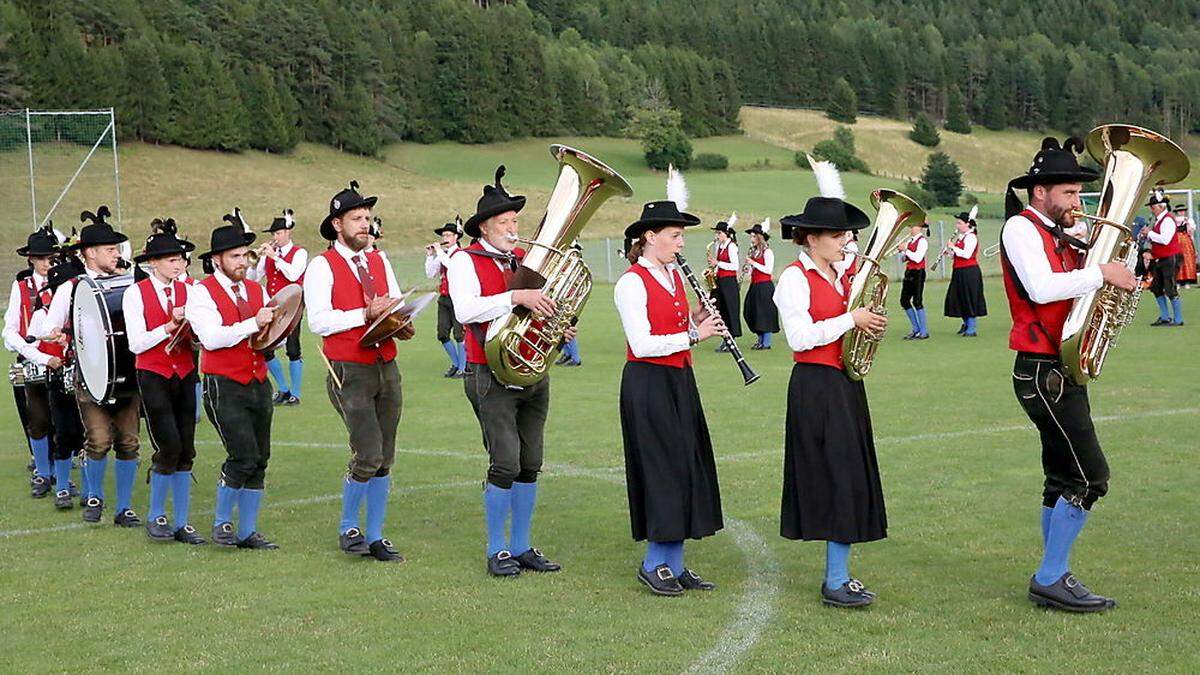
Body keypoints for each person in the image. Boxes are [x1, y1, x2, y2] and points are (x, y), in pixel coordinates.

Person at [999, 136, 1137, 612]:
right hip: (1042, 368)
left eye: (1080, 194)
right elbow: (1040, 288)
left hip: (1062, 366)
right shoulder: (1021, 229)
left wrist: (1114, 262)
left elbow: (1095, 274)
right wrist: (1102, 274)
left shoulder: (1060, 231)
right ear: (1040, 193)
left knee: (1061, 476)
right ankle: (1051, 575)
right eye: (1070, 193)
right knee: (1090, 477)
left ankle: (1053, 573)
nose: (1079, 203)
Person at [773, 158, 890, 608]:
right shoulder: (792, 279)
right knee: (835, 477)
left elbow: (846, 324)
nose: (847, 242)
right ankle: (834, 580)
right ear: (812, 238)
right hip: (815, 385)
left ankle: (840, 575)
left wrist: (865, 324)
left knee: (851, 475)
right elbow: (800, 338)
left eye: (847, 235)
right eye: (839, 235)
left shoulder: (842, 276)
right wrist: (850, 318)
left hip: (844, 382)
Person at [447, 166, 575, 577]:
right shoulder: (463, 261)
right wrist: (516, 295)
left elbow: (537, 309)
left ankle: (522, 546)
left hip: (532, 370)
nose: (514, 227)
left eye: (516, 220)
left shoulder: (525, 259)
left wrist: (556, 323)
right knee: (504, 462)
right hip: (489, 373)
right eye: (505, 222)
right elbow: (466, 311)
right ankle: (496, 548)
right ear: (484, 226)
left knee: (531, 461)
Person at [615, 187, 725, 596]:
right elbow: (642, 344)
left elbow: (674, 328)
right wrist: (695, 334)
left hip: (679, 379)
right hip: (647, 384)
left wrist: (693, 318)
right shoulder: (631, 283)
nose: (681, 243)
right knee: (661, 470)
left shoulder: (674, 275)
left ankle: (675, 565)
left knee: (684, 466)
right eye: (675, 236)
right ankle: (652, 563)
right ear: (650, 237)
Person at [305, 180, 411, 563]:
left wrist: (401, 319)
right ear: (337, 224)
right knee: (367, 452)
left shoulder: (379, 259)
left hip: (386, 363)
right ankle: (350, 526)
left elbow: (394, 301)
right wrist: (363, 314)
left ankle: (377, 535)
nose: (365, 225)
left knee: (386, 455)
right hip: (349, 367)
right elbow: (318, 321)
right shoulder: (321, 265)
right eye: (356, 219)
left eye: (367, 218)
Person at [32, 207, 143, 527]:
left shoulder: (130, 281)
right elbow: (47, 325)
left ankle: (124, 508)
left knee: (129, 441)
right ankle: (94, 495)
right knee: (97, 439)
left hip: (126, 372)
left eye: (117, 248)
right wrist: (57, 332)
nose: (116, 254)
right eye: (110, 249)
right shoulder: (72, 287)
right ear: (90, 253)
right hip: (91, 374)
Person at [186, 214, 278, 550]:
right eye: (235, 256)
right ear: (216, 260)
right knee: (242, 455)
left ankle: (247, 531)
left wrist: (275, 332)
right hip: (223, 383)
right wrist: (255, 322)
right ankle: (223, 523)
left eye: (245, 255)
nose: (242, 262)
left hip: (258, 380)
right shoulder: (200, 292)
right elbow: (210, 338)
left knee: (261, 457)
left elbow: (266, 335)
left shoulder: (256, 288)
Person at [123, 219, 205, 544]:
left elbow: (201, 337)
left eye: (181, 259)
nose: (179, 264)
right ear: (152, 262)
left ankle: (182, 522)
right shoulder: (135, 293)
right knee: (168, 444)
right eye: (171, 259)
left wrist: (196, 335)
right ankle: (157, 515)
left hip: (185, 373)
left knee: (187, 448)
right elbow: (136, 343)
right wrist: (168, 329)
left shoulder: (194, 290)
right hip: (153, 373)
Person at [4, 227, 66, 503]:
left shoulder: (66, 285)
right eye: (40, 258)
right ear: (31, 259)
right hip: (34, 360)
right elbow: (10, 331)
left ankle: (63, 475)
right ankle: (42, 471)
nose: (45, 263)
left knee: (64, 422)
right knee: (38, 419)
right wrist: (34, 354)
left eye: (50, 257)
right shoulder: (21, 287)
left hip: (63, 360)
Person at [250, 209, 308, 405]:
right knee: (266, 347)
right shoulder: (268, 255)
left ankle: (296, 393)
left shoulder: (299, 252)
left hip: (293, 304)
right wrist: (254, 261)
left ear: (288, 232)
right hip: (273, 305)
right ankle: (283, 388)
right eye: (274, 234)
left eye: (279, 233)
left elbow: (293, 275)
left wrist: (275, 258)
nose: (276, 237)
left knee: (292, 348)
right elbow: (254, 278)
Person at [425, 217, 466, 378]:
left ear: (456, 237)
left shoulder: (460, 254)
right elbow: (430, 274)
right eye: (444, 236)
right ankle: (456, 363)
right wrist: (430, 256)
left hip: (457, 298)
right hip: (444, 298)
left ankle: (463, 367)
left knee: (459, 334)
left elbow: (452, 267)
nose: (445, 239)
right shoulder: (443, 254)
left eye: (448, 235)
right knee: (442, 334)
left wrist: (439, 252)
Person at [943, 206, 987, 336]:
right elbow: (957, 255)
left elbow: (967, 254)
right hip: (959, 271)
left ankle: (972, 328)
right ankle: (966, 323)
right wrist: (949, 252)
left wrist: (953, 247)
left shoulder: (971, 237)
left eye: (959, 223)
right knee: (958, 297)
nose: (957, 225)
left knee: (969, 297)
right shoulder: (961, 237)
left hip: (969, 271)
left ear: (967, 224)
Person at [1145, 190, 1182, 326]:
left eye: (1153, 207)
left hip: (1170, 257)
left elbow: (1165, 240)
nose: (1152, 210)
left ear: (1161, 207)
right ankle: (1165, 316)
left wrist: (1150, 233)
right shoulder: (1160, 220)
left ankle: (1178, 318)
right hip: (1161, 257)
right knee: (1156, 287)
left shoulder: (1167, 220)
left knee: (1170, 288)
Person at [741, 218, 779, 349]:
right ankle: (760, 338)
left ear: (759, 237)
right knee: (751, 311)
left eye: (753, 236)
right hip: (755, 285)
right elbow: (752, 269)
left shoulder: (768, 252)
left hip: (764, 286)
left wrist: (753, 263)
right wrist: (748, 268)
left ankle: (766, 342)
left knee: (764, 313)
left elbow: (768, 270)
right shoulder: (754, 252)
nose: (751, 238)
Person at [707, 216, 742, 351]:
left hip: (729, 282)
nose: (717, 236)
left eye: (719, 233)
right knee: (721, 310)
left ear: (726, 234)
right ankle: (725, 339)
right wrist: (713, 270)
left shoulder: (731, 246)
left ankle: (731, 339)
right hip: (720, 281)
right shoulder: (719, 246)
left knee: (730, 310)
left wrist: (718, 263)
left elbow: (734, 266)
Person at [899, 221, 930, 339]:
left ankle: (923, 331)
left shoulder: (922, 241)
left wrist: (905, 250)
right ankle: (916, 328)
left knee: (917, 301)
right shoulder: (910, 241)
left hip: (918, 272)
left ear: (920, 227)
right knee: (904, 301)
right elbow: (904, 259)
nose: (910, 228)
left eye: (913, 225)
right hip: (909, 272)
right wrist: (902, 251)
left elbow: (917, 258)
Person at [1171, 203, 1196, 289]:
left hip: (1185, 242)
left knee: (1187, 260)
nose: (1181, 212)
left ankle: (1187, 281)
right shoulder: (1173, 220)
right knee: (1176, 260)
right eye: (1180, 211)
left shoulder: (1188, 220)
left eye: (1183, 211)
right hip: (1176, 241)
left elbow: (1190, 232)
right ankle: (1177, 281)